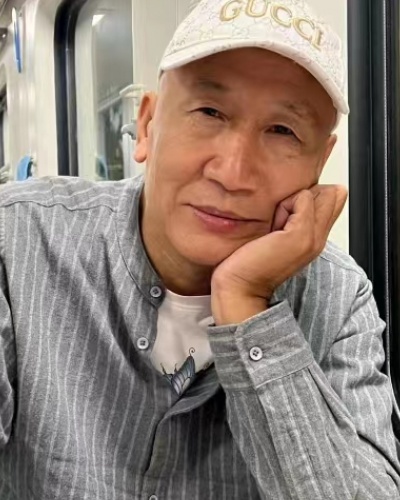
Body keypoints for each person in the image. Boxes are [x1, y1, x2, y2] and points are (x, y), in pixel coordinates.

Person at [1, 0, 399, 498]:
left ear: (319, 164)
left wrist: (247, 305)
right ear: (147, 126)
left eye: (283, 131)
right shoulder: (17, 242)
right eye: (209, 112)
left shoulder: (339, 299)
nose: (233, 173)